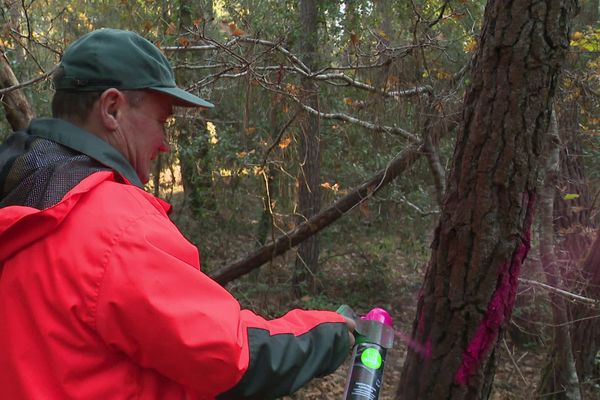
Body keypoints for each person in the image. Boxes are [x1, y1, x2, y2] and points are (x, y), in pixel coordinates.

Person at [0, 28, 355, 399]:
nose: (165, 144)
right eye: (162, 121)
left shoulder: (23, 197)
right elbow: (228, 356)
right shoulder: (116, 226)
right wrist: (327, 334)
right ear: (112, 108)